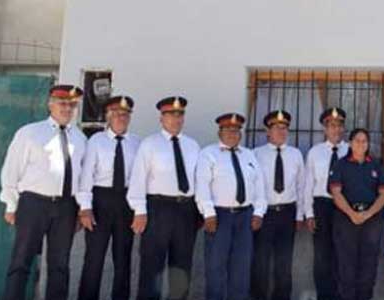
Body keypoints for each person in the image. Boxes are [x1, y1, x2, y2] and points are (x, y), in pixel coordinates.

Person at [0, 84, 87, 300]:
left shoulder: (80, 138)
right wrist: (11, 204)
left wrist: (80, 209)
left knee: (60, 265)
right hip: (33, 204)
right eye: (62, 103)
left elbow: (82, 178)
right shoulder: (30, 133)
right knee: (21, 261)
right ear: (50, 105)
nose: (67, 109)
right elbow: (11, 170)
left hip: (66, 206)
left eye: (72, 105)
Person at [128, 96, 201, 300]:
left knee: (182, 265)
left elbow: (199, 180)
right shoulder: (149, 144)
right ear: (162, 118)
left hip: (186, 210)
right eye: (171, 114)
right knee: (152, 265)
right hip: (158, 209)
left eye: (180, 114)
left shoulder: (193, 146)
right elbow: (138, 179)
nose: (176, 119)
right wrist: (140, 211)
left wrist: (200, 211)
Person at [196, 112, 267, 300]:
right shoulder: (208, 154)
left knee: (241, 268)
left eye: (236, 130)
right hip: (220, 217)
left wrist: (259, 212)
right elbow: (202, 186)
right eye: (228, 130)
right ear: (219, 133)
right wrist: (209, 214)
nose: (232, 134)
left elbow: (259, 186)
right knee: (216, 267)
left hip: (245, 217)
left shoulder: (249, 155)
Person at [77, 95, 142, 300]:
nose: (121, 117)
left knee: (123, 259)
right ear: (108, 116)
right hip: (100, 201)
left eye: (125, 114)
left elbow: (140, 179)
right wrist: (85, 208)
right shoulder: (96, 141)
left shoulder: (137, 143)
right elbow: (86, 176)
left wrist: (139, 209)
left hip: (126, 202)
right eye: (116, 113)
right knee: (94, 259)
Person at [329, 128, 384, 300]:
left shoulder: (376, 165)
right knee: (346, 267)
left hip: (371, 221)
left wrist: (368, 214)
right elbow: (336, 192)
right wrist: (351, 213)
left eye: (364, 141)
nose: (361, 144)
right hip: (346, 220)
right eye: (357, 140)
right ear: (350, 143)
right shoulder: (341, 164)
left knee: (368, 268)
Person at [252, 110, 306, 300]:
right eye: (277, 127)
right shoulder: (256, 154)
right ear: (268, 131)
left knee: (284, 264)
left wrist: (300, 215)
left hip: (287, 213)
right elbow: (253, 187)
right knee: (260, 263)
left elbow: (301, 186)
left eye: (284, 128)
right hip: (264, 214)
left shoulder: (296, 154)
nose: (281, 131)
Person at [303, 107, 349, 300]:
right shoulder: (315, 152)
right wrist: (309, 213)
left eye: (339, 125)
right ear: (324, 129)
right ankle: (325, 295)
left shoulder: (351, 150)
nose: (335, 130)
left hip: (345, 207)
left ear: (343, 128)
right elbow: (308, 184)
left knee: (343, 254)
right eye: (331, 125)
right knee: (322, 257)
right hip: (322, 206)